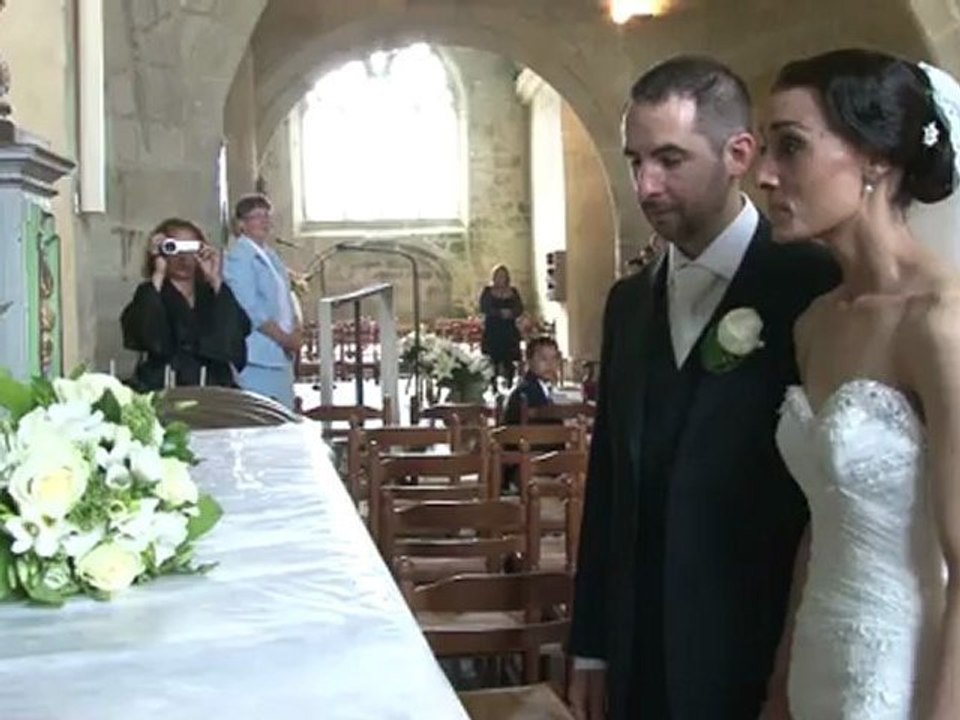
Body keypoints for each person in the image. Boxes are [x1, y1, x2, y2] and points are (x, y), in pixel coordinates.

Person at [568, 56, 839, 720]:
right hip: (638, 657)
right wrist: (593, 647)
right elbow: (608, 480)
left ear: (738, 153)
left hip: (757, 653)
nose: (645, 185)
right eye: (635, 161)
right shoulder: (628, 304)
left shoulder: (811, 285)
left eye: (669, 159)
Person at [757, 49, 960, 720]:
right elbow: (823, 521)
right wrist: (781, 690)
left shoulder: (940, 323)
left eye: (790, 147)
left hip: (907, 676)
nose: (763, 175)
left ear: (875, 158)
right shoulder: (816, 324)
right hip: (819, 658)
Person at [120, 217, 251, 392]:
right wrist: (158, 271)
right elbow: (142, 332)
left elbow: (236, 331)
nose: (183, 258)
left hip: (212, 386)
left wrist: (215, 278)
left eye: (190, 249)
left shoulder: (213, 294)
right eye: (175, 248)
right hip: (164, 385)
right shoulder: (151, 292)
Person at [223, 193, 300, 409]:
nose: (264, 221)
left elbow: (284, 297)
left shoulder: (270, 255)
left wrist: (295, 328)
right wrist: (284, 338)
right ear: (241, 224)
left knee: (284, 418)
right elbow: (250, 307)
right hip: (259, 353)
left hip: (280, 353)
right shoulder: (240, 256)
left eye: (266, 215)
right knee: (263, 417)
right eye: (256, 216)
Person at [479, 264, 523, 387]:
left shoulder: (513, 291)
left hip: (508, 330)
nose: (500, 278)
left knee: (509, 361)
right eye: (498, 276)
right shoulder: (487, 291)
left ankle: (510, 384)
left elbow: (519, 308)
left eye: (503, 276)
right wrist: (499, 313)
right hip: (493, 330)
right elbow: (484, 307)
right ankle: (492, 387)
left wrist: (511, 313)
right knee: (492, 361)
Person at [502, 335, 561, 425]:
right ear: (529, 361)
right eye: (543, 359)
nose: (550, 364)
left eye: (554, 358)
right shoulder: (527, 390)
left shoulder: (540, 387)